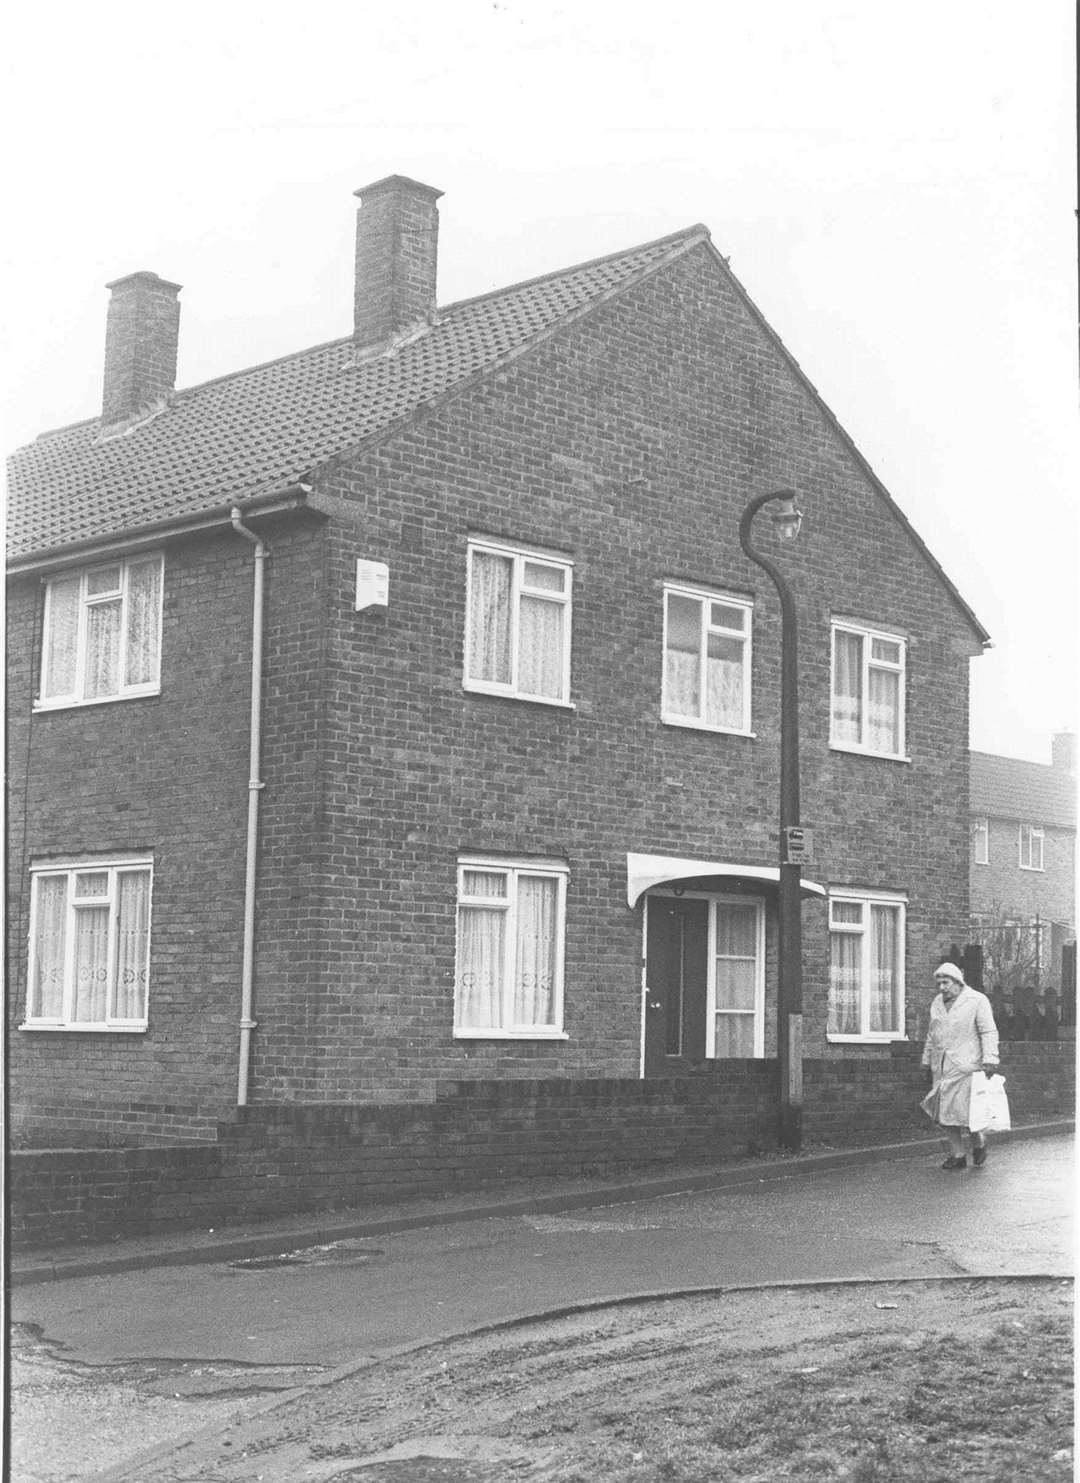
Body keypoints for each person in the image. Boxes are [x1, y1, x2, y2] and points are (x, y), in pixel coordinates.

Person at [920, 961, 1001, 1169]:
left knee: (967, 1111)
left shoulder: (977, 1000)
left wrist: (990, 1059)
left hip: (967, 1065)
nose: (941, 988)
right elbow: (932, 1033)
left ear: (957, 981)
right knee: (944, 1112)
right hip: (942, 1066)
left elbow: (988, 1031)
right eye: (938, 983)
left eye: (945, 982)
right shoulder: (937, 1003)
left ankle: (979, 1142)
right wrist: (926, 1060)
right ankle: (957, 1155)